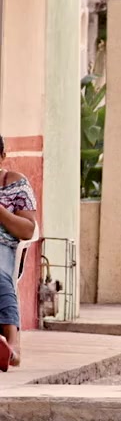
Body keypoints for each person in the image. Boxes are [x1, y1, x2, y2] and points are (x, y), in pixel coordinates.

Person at [0, 136, 37, 372]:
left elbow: (28, 230)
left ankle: (13, 346)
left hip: (3, 245)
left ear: (2, 156)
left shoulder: (16, 184)